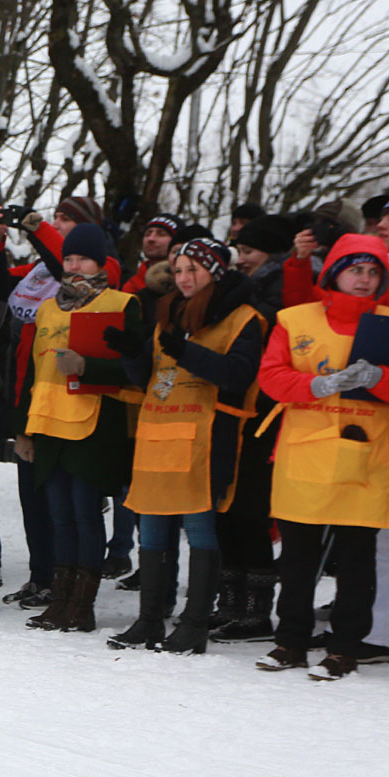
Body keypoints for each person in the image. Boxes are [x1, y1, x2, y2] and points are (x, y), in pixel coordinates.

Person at [254, 235, 389, 679]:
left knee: (356, 560)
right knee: (297, 557)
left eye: (373, 272)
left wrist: (380, 377)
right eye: (355, 270)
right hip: (304, 454)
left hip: (367, 457)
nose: (364, 279)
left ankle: (344, 649)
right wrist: (314, 385)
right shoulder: (295, 319)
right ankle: (290, 642)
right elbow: (270, 377)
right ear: (333, 272)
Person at [107, 239, 266, 653]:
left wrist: (189, 353)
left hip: (205, 438)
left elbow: (238, 375)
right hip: (157, 435)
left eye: (193, 269)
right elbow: (151, 377)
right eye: (178, 271)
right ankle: (149, 619)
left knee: (199, 530)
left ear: (215, 271)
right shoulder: (169, 315)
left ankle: (195, 623)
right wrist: (131, 354)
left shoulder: (243, 318)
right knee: (152, 528)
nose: (183, 278)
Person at [16, 222, 146, 633]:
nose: (73, 266)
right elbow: (33, 373)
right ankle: (60, 599)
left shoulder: (122, 304)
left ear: (101, 262)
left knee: (85, 513)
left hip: (94, 424)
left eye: (83, 259)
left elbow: (138, 369)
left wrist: (90, 367)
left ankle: (82, 605)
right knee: (59, 516)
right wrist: (23, 429)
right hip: (48, 423)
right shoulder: (48, 308)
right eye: (68, 258)